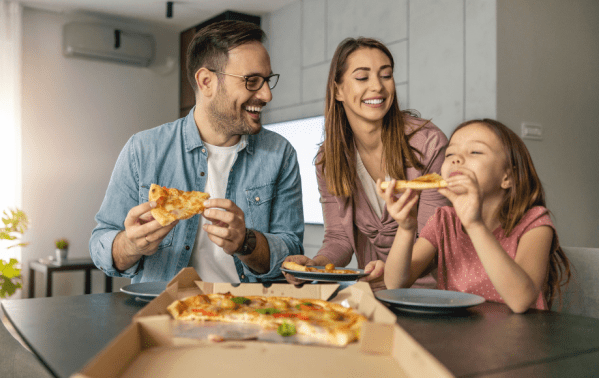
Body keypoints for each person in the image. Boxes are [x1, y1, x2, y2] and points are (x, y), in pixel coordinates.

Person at [90, 20, 304, 284]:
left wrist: (246, 242)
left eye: (268, 81)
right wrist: (131, 245)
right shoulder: (143, 149)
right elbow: (101, 245)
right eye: (252, 81)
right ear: (206, 82)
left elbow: (293, 255)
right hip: (163, 314)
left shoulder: (280, 154)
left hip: (248, 316)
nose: (267, 94)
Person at [283, 38, 449, 289]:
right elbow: (340, 239)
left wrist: (393, 270)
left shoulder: (427, 144)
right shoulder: (329, 161)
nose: (377, 87)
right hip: (373, 294)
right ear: (338, 90)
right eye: (362, 77)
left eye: (386, 75)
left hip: (433, 294)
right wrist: (315, 265)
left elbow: (433, 238)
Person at [380, 119, 571, 312]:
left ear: (508, 177)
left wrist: (474, 225)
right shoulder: (444, 220)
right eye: (450, 153)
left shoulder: (534, 223)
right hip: (459, 335)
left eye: (475, 152)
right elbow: (396, 284)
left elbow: (521, 300)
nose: (456, 159)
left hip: (520, 337)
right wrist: (406, 228)